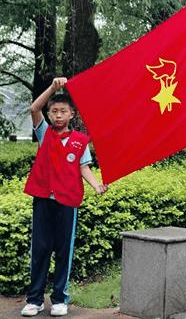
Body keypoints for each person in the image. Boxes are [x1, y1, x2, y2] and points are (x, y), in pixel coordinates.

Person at [21, 77, 107, 318]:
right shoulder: (44, 133)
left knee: (62, 250)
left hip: (67, 201)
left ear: (72, 115)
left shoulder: (80, 141)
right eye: (54, 111)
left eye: (63, 111)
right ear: (49, 115)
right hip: (43, 199)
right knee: (39, 249)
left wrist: (96, 186)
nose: (58, 115)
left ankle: (60, 299)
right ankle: (34, 300)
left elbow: (84, 168)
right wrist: (53, 89)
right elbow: (33, 108)